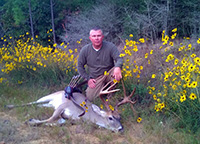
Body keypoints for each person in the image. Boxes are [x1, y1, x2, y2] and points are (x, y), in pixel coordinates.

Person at [77, 27, 123, 101]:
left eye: (98, 35)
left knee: (117, 70)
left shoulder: (110, 46)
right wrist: (88, 79)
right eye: (94, 36)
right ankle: (103, 90)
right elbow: (79, 66)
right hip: (96, 78)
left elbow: (119, 58)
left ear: (102, 37)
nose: (96, 38)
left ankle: (111, 96)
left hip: (108, 74)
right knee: (91, 97)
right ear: (90, 38)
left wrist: (117, 67)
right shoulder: (85, 50)